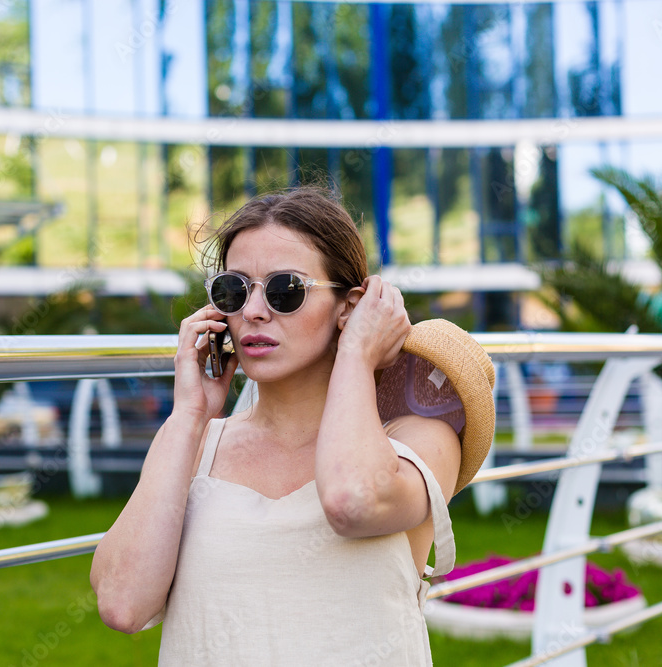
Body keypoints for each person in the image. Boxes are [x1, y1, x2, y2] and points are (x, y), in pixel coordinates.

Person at [90, 186, 495, 666]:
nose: (254, 311)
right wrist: (190, 416)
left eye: (286, 290)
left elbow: (352, 501)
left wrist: (357, 352)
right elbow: (122, 604)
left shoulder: (415, 438)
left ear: (350, 305)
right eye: (234, 290)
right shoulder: (194, 442)